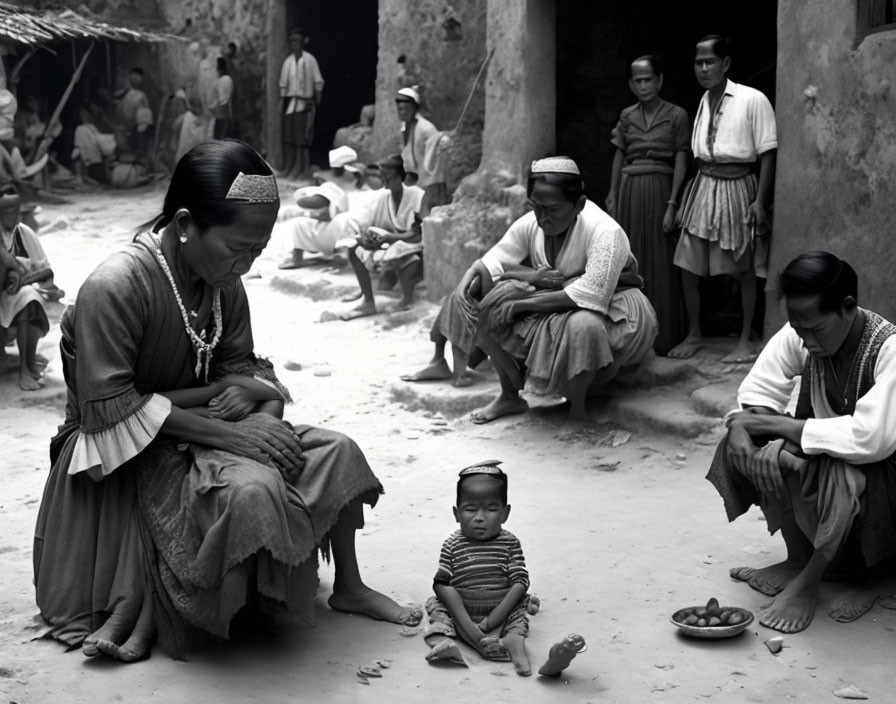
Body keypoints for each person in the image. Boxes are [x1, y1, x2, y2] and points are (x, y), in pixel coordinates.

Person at [32, 139, 422, 664]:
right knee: (253, 489)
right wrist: (235, 431)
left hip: (202, 429)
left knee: (338, 452)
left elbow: (246, 374)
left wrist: (266, 423)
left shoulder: (223, 283)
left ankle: (349, 586)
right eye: (238, 248)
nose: (246, 263)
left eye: (258, 251)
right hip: (121, 456)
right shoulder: (116, 285)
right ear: (187, 224)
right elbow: (110, 413)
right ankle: (218, 605)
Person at [707, 251, 896, 634]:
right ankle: (798, 559)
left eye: (815, 330)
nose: (805, 340)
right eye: (798, 329)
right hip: (833, 455)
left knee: (845, 477)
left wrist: (779, 429)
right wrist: (743, 428)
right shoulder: (804, 331)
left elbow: (869, 439)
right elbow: (759, 390)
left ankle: (817, 580)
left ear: (847, 307)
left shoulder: (888, 349)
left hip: (884, 478)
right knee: (742, 446)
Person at [403, 156, 657, 424]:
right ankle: (509, 395)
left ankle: (577, 408)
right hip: (555, 303)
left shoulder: (606, 231)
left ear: (579, 204)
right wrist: (474, 272)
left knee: (582, 325)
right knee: (484, 299)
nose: (543, 218)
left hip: (614, 307)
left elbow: (592, 294)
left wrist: (524, 305)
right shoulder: (532, 222)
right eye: (537, 208)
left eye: (553, 209)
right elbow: (496, 260)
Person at [668, 35, 777, 363]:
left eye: (709, 62)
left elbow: (768, 152)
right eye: (698, 62)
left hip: (737, 184)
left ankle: (746, 339)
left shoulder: (751, 99)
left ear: (725, 63)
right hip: (703, 185)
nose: (703, 68)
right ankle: (695, 333)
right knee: (687, 265)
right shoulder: (703, 99)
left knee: (741, 267)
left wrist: (761, 200)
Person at [424, 461, 586, 677]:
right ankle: (447, 642)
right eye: (470, 509)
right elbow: (442, 584)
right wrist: (472, 628)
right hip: (464, 605)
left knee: (518, 610)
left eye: (491, 509)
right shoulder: (452, 544)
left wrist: (492, 621)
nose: (479, 517)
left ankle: (518, 646)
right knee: (439, 607)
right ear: (456, 513)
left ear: (505, 513)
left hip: (501, 604)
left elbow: (520, 583)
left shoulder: (509, 543)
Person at [607, 54, 690, 356]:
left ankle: (664, 335)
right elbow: (619, 153)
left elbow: (682, 155)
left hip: (661, 188)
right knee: (634, 258)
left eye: (648, 79)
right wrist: (614, 192)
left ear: (660, 80)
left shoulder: (676, 115)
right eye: (637, 81)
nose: (643, 85)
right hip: (631, 190)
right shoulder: (627, 116)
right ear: (631, 84)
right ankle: (632, 335)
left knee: (662, 258)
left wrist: (673, 202)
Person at [340, 154, 424, 318]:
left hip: (411, 245)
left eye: (389, 177)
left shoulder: (417, 195)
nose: (385, 182)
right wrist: (364, 232)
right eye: (382, 177)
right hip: (387, 244)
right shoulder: (381, 196)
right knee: (353, 247)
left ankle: (407, 300)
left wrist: (390, 238)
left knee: (410, 258)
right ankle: (368, 302)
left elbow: (416, 233)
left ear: (402, 177)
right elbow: (362, 220)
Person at [0, 185, 54, 390]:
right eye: (5, 211)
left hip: (14, 296)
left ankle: (26, 366)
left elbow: (48, 272)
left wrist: (22, 280)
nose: (10, 215)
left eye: (14, 210)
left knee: (29, 297)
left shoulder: (24, 233)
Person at [275, 148, 360, 270]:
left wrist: (301, 193)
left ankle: (296, 259)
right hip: (349, 229)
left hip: (336, 232)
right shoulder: (358, 182)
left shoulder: (332, 186)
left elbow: (306, 203)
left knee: (297, 224)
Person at [279, 27, 324, 181]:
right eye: (292, 41)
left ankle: (301, 169)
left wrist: (316, 103)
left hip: (306, 103)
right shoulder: (288, 62)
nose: (294, 44)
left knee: (302, 139)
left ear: (302, 42)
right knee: (289, 137)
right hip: (291, 103)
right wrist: (282, 106)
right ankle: (289, 167)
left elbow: (318, 82)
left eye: (297, 41)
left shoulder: (310, 60)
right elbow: (283, 86)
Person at [72, 104, 117, 185]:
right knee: (77, 151)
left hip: (101, 148)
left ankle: (83, 176)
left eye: (84, 113)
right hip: (94, 151)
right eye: (82, 113)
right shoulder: (82, 128)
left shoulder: (95, 123)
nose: (83, 115)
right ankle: (80, 176)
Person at [118, 68, 154, 166]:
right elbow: (144, 124)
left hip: (127, 134)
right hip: (135, 133)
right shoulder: (139, 95)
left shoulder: (123, 96)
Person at [211, 57, 235, 139]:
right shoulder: (223, 80)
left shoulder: (224, 80)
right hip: (221, 115)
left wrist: (213, 109)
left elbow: (224, 101)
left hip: (222, 116)